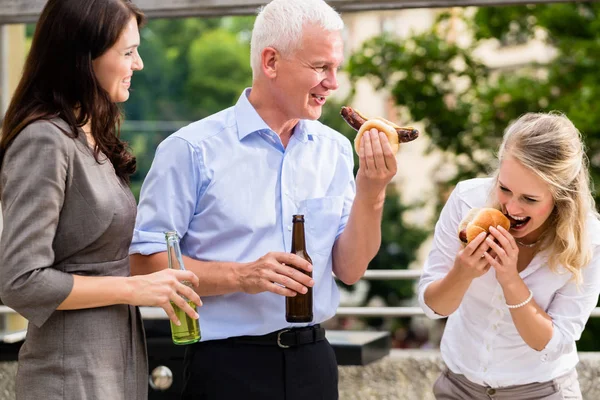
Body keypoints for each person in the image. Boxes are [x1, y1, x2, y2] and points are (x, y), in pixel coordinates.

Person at [129, 0, 399, 398]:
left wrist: (373, 191)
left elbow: (351, 268)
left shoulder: (337, 150)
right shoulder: (190, 149)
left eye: (335, 68)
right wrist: (242, 276)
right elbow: (144, 264)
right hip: (225, 367)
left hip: (315, 363)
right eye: (321, 67)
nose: (333, 83)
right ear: (271, 62)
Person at [0, 1, 201, 399]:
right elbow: (20, 282)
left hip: (115, 363)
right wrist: (133, 288)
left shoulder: (89, 136)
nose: (138, 64)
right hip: (69, 375)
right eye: (128, 52)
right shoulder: (44, 140)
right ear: (82, 57)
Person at [418, 112, 600, 399]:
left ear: (561, 198)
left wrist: (510, 280)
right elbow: (432, 307)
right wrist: (462, 273)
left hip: (542, 391)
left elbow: (552, 343)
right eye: (504, 188)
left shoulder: (589, 239)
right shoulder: (467, 200)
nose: (511, 208)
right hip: (458, 387)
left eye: (529, 199)